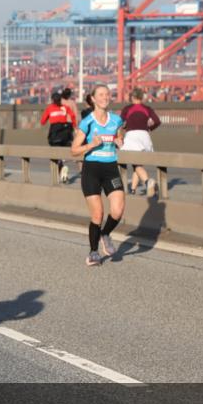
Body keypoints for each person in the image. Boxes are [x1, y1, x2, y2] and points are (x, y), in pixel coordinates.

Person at [71, 84, 125, 267]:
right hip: (92, 169)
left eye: (107, 94)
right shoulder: (87, 122)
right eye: (101, 95)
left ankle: (106, 234)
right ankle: (93, 252)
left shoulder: (116, 120)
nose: (105, 97)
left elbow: (119, 135)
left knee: (117, 210)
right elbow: (74, 150)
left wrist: (119, 140)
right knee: (98, 214)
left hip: (111, 168)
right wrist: (91, 145)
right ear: (93, 99)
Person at [119, 88, 161, 196]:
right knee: (138, 163)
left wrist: (124, 127)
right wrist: (149, 128)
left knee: (136, 164)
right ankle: (132, 190)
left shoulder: (127, 108)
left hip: (132, 136)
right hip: (145, 136)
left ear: (132, 97)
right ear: (142, 97)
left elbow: (119, 122)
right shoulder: (147, 108)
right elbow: (157, 121)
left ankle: (148, 182)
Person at [40, 91, 77, 183]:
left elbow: (42, 121)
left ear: (52, 100)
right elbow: (73, 116)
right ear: (60, 100)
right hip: (65, 132)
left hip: (55, 133)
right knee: (63, 152)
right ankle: (63, 169)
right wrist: (74, 126)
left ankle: (61, 168)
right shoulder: (65, 107)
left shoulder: (50, 108)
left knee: (54, 155)